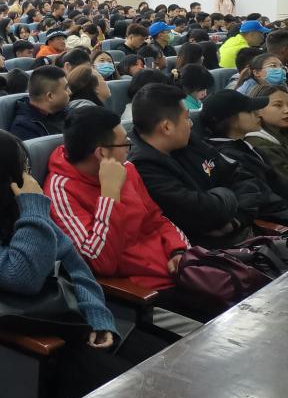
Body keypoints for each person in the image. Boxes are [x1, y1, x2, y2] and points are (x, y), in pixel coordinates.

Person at [0, 127, 163, 398]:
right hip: (32, 336)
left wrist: (98, 316)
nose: (28, 175)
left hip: (68, 318)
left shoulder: (16, 207)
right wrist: (33, 208)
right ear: (0, 176)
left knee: (161, 362)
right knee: (139, 396)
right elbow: (23, 277)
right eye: (22, 168)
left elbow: (75, 266)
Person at [46, 106, 188, 292]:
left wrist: (178, 250)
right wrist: (110, 194)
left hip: (174, 270)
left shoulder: (126, 168)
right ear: (101, 153)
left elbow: (156, 219)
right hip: (143, 290)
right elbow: (99, 261)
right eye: (125, 144)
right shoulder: (61, 190)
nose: (129, 150)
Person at [129, 83, 265, 248]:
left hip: (242, 232)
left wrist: (236, 220)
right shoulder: (143, 168)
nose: (191, 124)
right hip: (207, 252)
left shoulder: (186, 140)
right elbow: (201, 213)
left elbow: (242, 177)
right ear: (167, 127)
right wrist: (226, 193)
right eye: (187, 118)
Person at [201, 90, 288, 205]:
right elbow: (263, 199)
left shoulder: (242, 147)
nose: (258, 114)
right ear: (232, 120)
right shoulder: (229, 157)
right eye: (250, 111)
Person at [9, 66, 70, 141]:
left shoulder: (65, 112)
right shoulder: (24, 129)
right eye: (66, 88)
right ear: (50, 96)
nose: (70, 92)